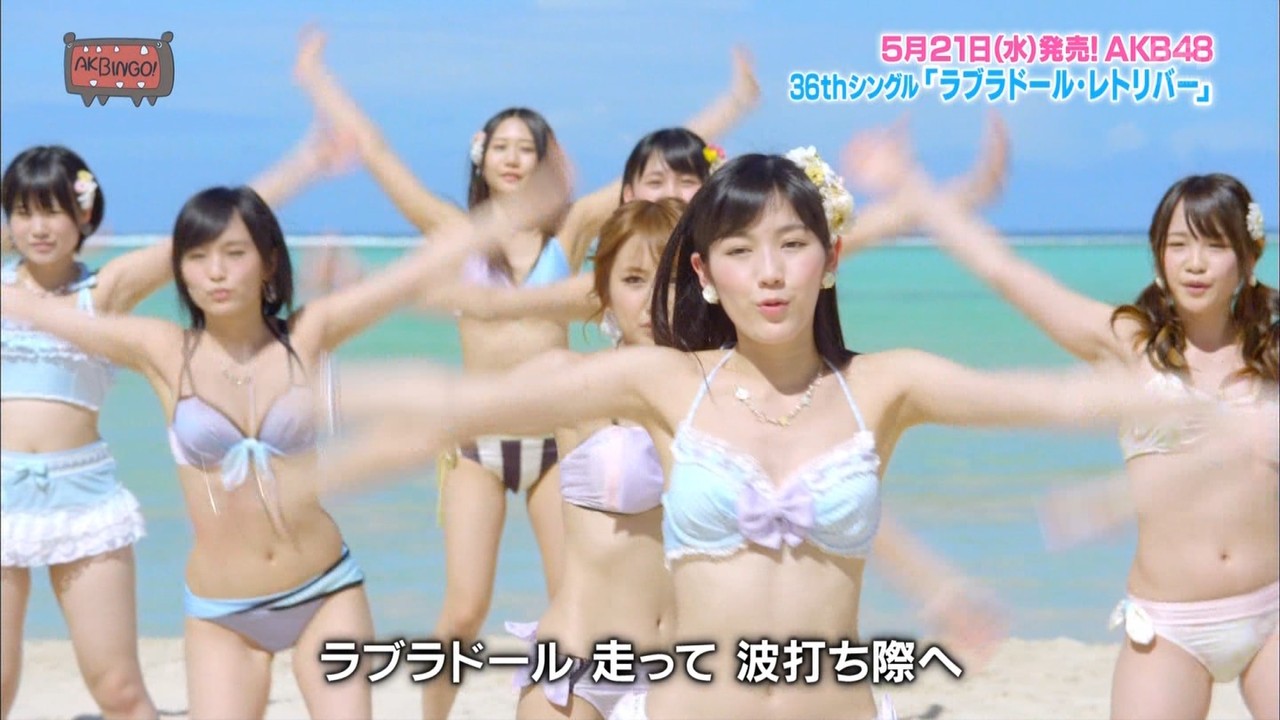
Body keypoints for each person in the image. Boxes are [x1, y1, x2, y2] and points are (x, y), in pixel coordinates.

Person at [317, 142, 1213, 720]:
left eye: (792, 245)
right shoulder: (664, 382)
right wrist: (324, 368)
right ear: (706, 276)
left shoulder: (884, 385)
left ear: (831, 258)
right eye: (741, 252)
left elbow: (1050, 399)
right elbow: (460, 402)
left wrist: (1211, 402)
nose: (771, 274)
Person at [0, 162, 567, 718]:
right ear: (181, 272)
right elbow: (41, 312)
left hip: (325, 591)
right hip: (222, 612)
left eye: (234, 253)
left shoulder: (307, 334)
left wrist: (514, 212)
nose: (216, 273)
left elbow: (409, 276)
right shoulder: (164, 350)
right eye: (197, 258)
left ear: (269, 261)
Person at [850, 122, 1279, 719]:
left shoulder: (1272, 353)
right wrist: (913, 186)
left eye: (1215, 245)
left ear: (1249, 259)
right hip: (1169, 627)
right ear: (1159, 257)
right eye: (1179, 244)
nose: (1195, 263)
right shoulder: (1131, 344)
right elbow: (1008, 275)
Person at [0, 131, 350, 720]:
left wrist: (308, 163)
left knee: (118, 689)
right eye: (23, 212)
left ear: (84, 215)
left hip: (82, 496)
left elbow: (209, 235)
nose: (38, 228)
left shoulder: (104, 291)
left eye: (53, 211)